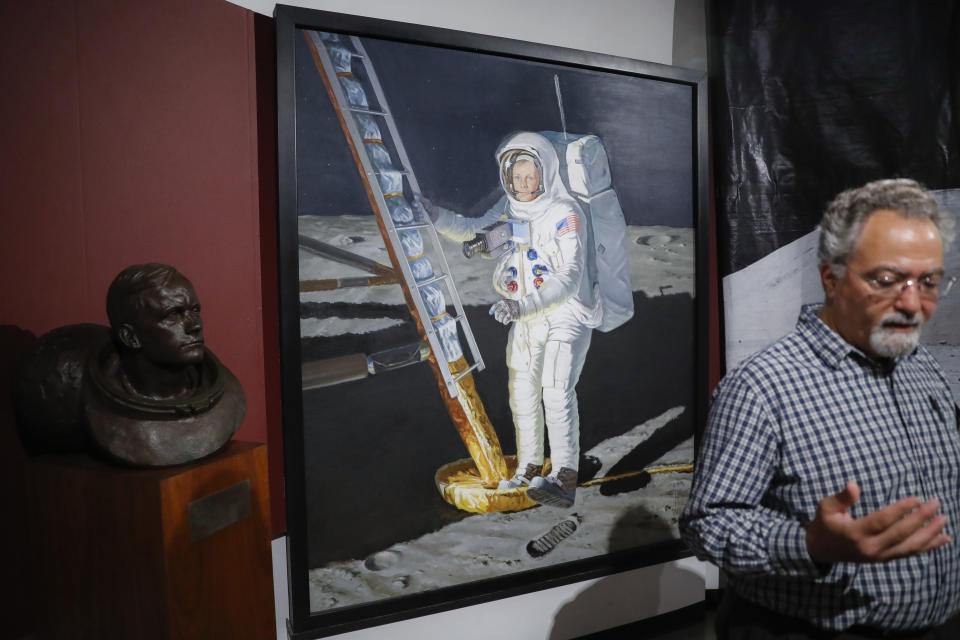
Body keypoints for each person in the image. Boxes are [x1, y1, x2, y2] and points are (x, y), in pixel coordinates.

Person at [681, 179, 960, 637]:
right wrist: (809, 543)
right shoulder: (762, 386)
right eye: (887, 280)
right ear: (832, 277)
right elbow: (707, 523)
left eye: (928, 282)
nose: (913, 304)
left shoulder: (920, 363)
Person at [419, 131, 601, 508]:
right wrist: (437, 217)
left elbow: (569, 277)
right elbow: (474, 230)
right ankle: (531, 466)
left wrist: (523, 307)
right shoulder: (510, 207)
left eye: (529, 177)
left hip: (566, 313)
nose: (522, 185)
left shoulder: (566, 214)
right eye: (516, 177)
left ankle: (565, 476)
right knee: (521, 393)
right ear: (507, 178)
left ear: (545, 174)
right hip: (528, 314)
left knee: (555, 390)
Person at [86, 263, 246, 466]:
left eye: (194, 310)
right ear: (131, 337)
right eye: (173, 314)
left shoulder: (227, 395)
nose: (194, 325)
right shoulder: (108, 419)